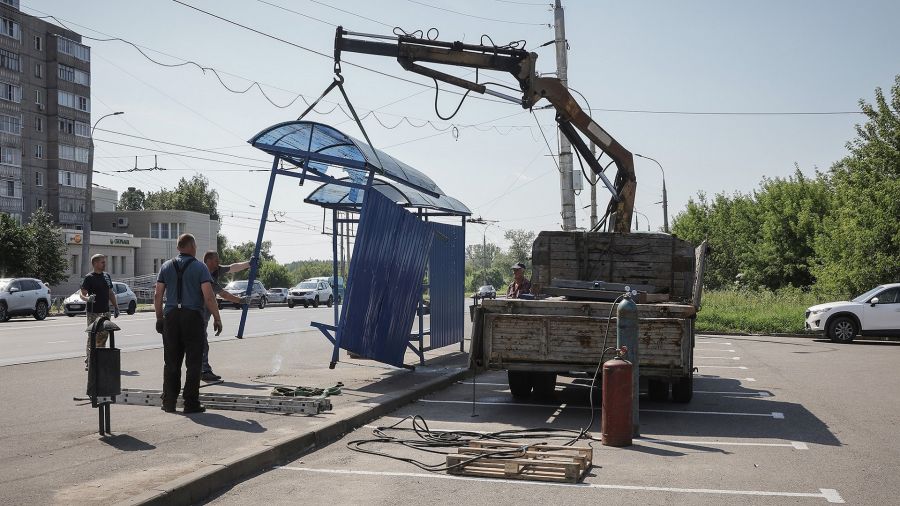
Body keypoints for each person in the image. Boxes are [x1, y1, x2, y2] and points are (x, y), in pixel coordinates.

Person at [153, 234, 223, 414]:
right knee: (193, 363)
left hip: (171, 318)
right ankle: (190, 403)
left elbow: (158, 295)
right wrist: (217, 317)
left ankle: (169, 402)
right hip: (192, 317)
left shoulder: (166, 266)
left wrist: (159, 318)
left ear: (178, 247)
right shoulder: (200, 267)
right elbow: (208, 296)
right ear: (191, 246)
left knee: (171, 362)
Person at [199, 251, 253, 382]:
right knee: (201, 342)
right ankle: (203, 371)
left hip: (205, 310)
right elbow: (223, 294)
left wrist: (248, 264)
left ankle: (200, 370)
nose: (219, 263)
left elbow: (232, 267)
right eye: (216, 260)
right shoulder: (203, 273)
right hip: (198, 311)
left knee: (200, 341)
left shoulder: (216, 270)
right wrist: (241, 301)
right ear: (209, 261)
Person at [81, 254, 118, 371]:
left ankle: (100, 359)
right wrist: (87, 299)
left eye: (104, 262)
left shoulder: (107, 276)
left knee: (104, 335)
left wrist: (116, 307)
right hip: (93, 312)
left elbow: (110, 293)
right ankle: (90, 360)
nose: (104, 264)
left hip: (105, 311)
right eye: (102, 262)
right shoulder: (89, 278)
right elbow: (82, 294)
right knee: (92, 335)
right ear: (95, 263)